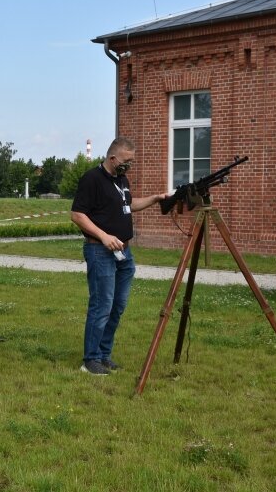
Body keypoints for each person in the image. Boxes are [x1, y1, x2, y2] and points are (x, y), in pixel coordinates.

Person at [71, 137, 167, 376]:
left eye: (132, 161)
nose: (129, 165)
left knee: (117, 305)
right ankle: (90, 360)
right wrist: (104, 236)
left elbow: (129, 204)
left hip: (124, 252)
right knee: (102, 305)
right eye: (126, 161)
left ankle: (104, 355)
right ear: (112, 158)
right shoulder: (91, 179)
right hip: (100, 251)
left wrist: (155, 199)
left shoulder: (121, 180)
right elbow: (77, 215)